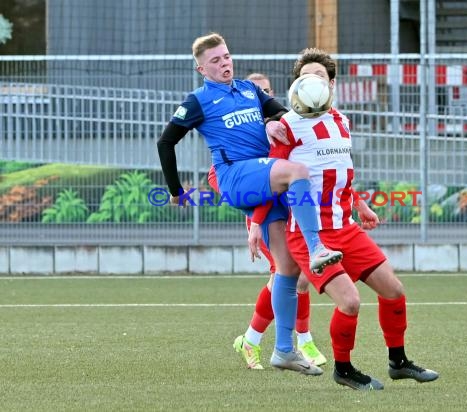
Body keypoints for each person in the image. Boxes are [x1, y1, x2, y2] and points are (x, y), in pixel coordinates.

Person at [249, 48, 439, 390]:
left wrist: (361, 204)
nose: (312, 82)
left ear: (332, 84)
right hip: (309, 237)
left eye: (319, 77)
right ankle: (344, 370)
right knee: (350, 302)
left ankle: (398, 362)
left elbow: (339, 176)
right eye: (304, 77)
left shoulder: (340, 120)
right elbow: (272, 178)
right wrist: (255, 225)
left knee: (394, 291)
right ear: (295, 85)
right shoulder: (286, 126)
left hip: (346, 228)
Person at [156, 33, 341, 376]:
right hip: (235, 176)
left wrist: (272, 121)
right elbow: (165, 142)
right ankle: (316, 246)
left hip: (265, 177)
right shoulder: (197, 101)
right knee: (298, 171)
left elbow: (283, 112)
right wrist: (175, 190)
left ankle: (284, 350)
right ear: (201, 69)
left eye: (226, 56)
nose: (224, 63)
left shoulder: (248, 90)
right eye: (215, 61)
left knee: (287, 268)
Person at [207, 72, 326, 369]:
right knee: (290, 276)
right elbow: (217, 177)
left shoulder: (282, 127)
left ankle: (255, 340)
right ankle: (299, 341)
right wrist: (255, 221)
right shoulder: (239, 139)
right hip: (264, 215)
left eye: (266, 92)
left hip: (291, 208)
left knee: (292, 276)